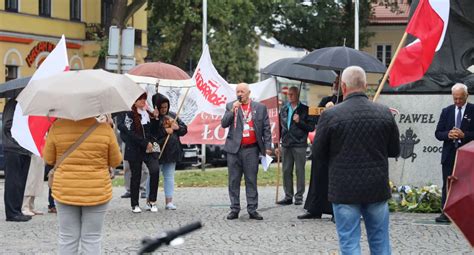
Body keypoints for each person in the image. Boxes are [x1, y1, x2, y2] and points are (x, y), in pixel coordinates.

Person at [313, 66, 400, 254]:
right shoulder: (384, 112)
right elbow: (394, 150)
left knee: (349, 243)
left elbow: (318, 153)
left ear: (343, 86)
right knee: (380, 242)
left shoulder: (330, 115)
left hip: (344, 189)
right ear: (365, 85)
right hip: (376, 187)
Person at [43, 115, 122, 254]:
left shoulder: (57, 127)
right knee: (92, 238)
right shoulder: (104, 129)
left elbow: (49, 159)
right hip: (97, 190)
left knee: (67, 238)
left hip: (65, 189)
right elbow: (115, 161)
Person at [221, 83, 272, 220]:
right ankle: (234, 208)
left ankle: (252, 208)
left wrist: (268, 147)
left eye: (242, 91)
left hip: (251, 150)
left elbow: (266, 128)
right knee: (233, 180)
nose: (240, 94)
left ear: (249, 93)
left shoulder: (260, 108)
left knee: (251, 179)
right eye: (238, 91)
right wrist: (232, 110)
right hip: (234, 150)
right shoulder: (231, 105)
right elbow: (224, 123)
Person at [298, 76, 342, 220]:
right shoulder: (326, 100)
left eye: (337, 82)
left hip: (338, 146)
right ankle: (314, 208)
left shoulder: (346, 102)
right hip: (322, 143)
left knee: (334, 179)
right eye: (334, 82)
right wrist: (326, 111)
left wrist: (334, 110)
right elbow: (315, 120)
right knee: (317, 177)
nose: (334, 84)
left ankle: (336, 211)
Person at [434, 83, 474, 223]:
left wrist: (464, 135)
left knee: (468, 185)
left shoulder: (473, 110)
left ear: (466, 96)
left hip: (467, 155)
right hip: (449, 154)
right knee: (448, 184)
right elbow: (438, 133)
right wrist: (448, 135)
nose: (457, 101)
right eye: (455, 98)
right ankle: (446, 213)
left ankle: (467, 214)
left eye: (460, 98)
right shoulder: (447, 111)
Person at [117, 93, 162, 213]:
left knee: (155, 170)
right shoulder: (128, 114)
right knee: (136, 176)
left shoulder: (147, 113)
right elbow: (130, 133)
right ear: (134, 101)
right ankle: (134, 204)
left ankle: (152, 201)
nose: (143, 101)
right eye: (140, 99)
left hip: (149, 148)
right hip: (135, 148)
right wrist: (144, 143)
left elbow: (154, 131)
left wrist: (156, 119)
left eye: (144, 99)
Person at [276, 86, 314, 206]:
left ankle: (299, 196)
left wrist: (299, 122)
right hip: (286, 143)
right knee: (286, 170)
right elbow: (279, 127)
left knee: (299, 170)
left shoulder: (305, 109)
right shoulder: (284, 109)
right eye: (288, 94)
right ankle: (288, 196)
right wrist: (277, 143)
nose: (290, 96)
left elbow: (311, 127)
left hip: (299, 144)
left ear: (298, 94)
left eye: (292, 94)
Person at [153, 96, 188, 210]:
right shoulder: (154, 117)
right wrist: (164, 131)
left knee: (169, 176)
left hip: (172, 151)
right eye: (162, 107)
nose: (164, 109)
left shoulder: (173, 115)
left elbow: (184, 130)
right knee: (153, 176)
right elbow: (151, 133)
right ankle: (151, 200)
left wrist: (178, 128)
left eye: (166, 107)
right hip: (158, 151)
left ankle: (169, 201)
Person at [3, 98, 32, 222]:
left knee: (21, 182)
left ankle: (17, 210)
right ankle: (12, 213)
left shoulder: (24, 105)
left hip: (24, 149)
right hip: (14, 148)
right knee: (13, 182)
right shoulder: (13, 104)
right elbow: (7, 125)